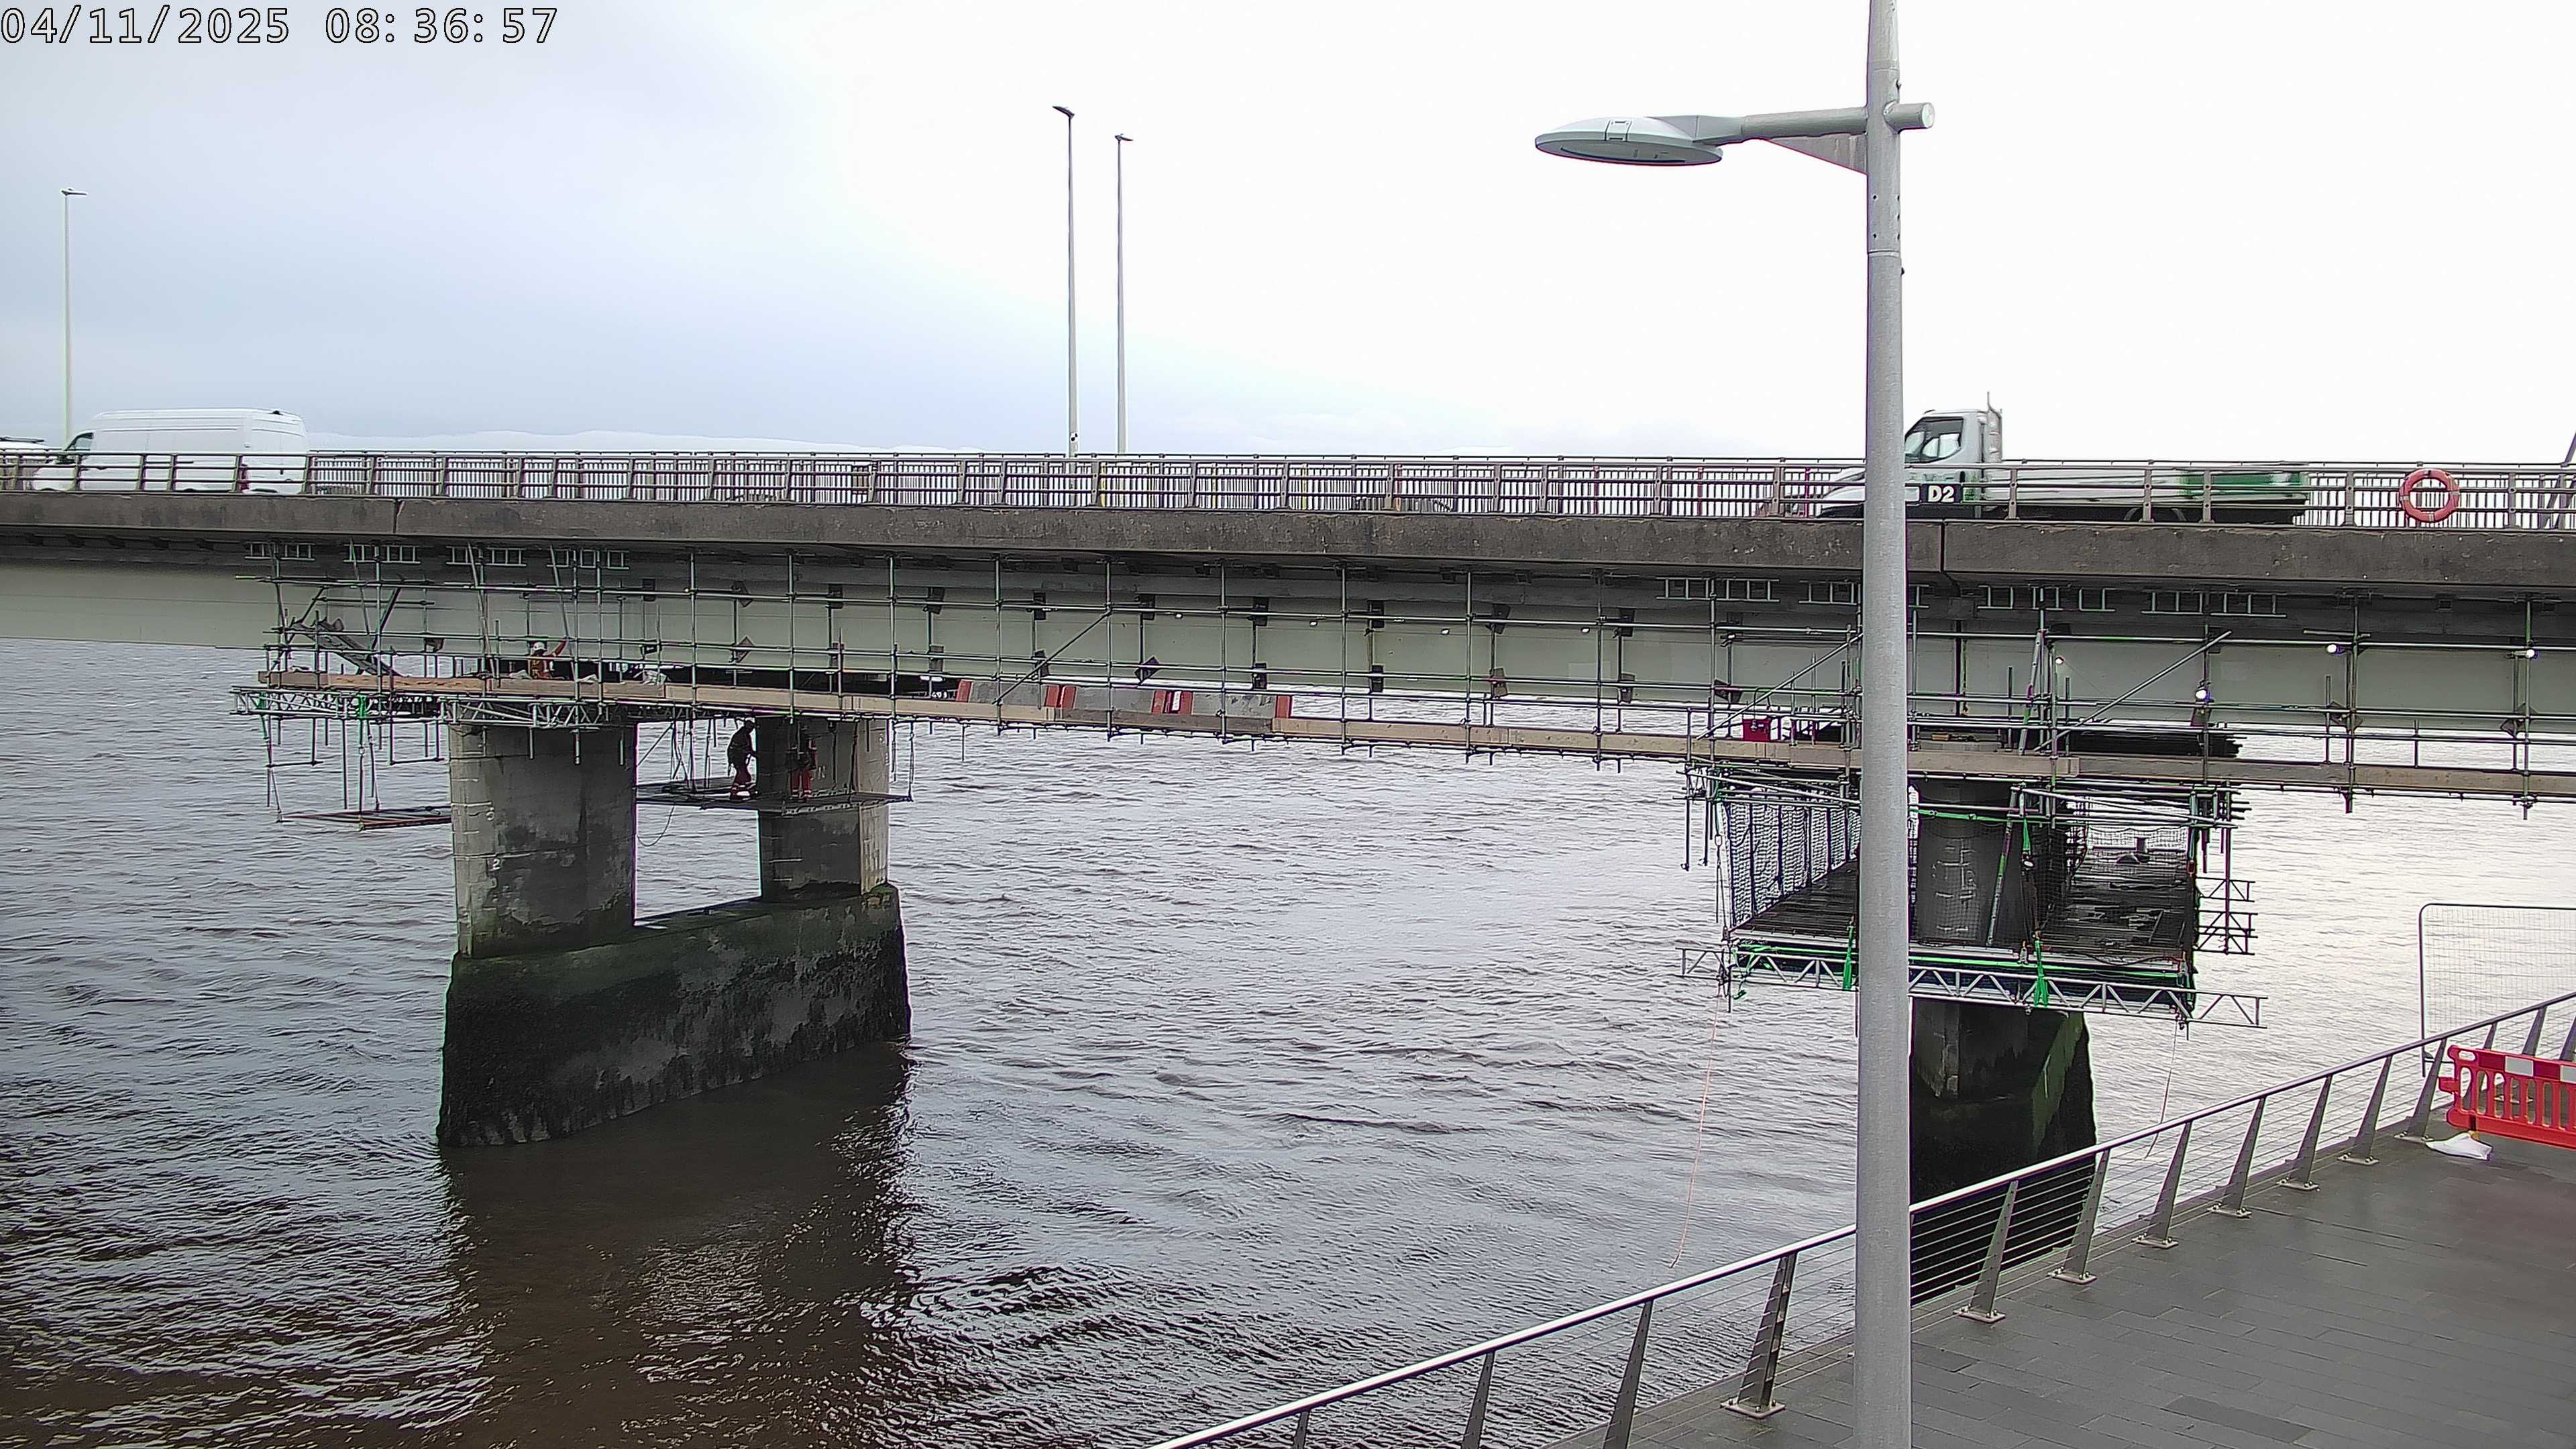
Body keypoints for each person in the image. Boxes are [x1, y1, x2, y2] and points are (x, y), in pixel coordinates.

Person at [727, 722, 757, 800]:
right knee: (746, 776)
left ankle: (734, 792)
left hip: (740, 759)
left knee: (739, 777)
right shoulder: (741, 736)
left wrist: (753, 753)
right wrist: (754, 754)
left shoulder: (745, 735)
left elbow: (749, 749)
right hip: (737, 759)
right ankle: (752, 792)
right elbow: (743, 749)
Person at [790, 729, 818, 800]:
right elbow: (813, 751)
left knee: (797, 776)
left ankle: (796, 794)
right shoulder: (808, 739)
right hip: (805, 758)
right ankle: (805, 794)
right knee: (804, 777)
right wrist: (814, 762)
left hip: (799, 758)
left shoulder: (793, 739)